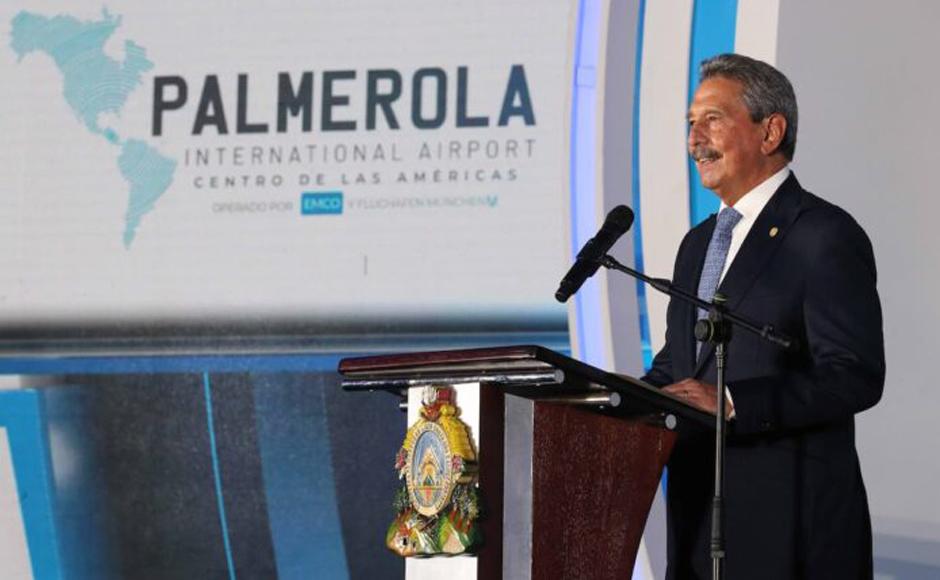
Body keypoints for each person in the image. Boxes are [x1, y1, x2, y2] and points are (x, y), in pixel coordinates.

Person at [641, 53, 885, 579]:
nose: (694, 140)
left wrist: (732, 404)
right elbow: (680, 366)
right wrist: (616, 396)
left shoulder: (823, 235)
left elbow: (853, 375)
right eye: (690, 124)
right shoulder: (697, 244)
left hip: (792, 534)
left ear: (770, 131)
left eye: (711, 119)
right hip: (699, 530)